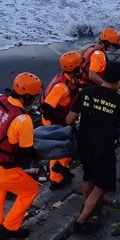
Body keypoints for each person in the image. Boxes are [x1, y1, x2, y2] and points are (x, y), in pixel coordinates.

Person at [0, 72, 43, 240]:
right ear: (28, 96)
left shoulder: (0, 101)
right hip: (3, 170)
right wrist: (39, 157)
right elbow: (26, 150)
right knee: (30, 191)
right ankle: (10, 227)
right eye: (35, 96)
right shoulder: (23, 119)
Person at [66, 61, 120, 234]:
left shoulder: (86, 93)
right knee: (102, 185)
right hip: (103, 149)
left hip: (84, 144)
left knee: (88, 176)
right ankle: (80, 222)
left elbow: (69, 120)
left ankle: (88, 205)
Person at [39, 51, 82, 190]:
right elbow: (46, 107)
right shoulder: (61, 87)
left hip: (63, 119)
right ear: (75, 67)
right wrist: (60, 123)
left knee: (63, 148)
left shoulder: (69, 78)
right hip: (54, 121)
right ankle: (56, 178)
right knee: (60, 149)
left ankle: (60, 173)